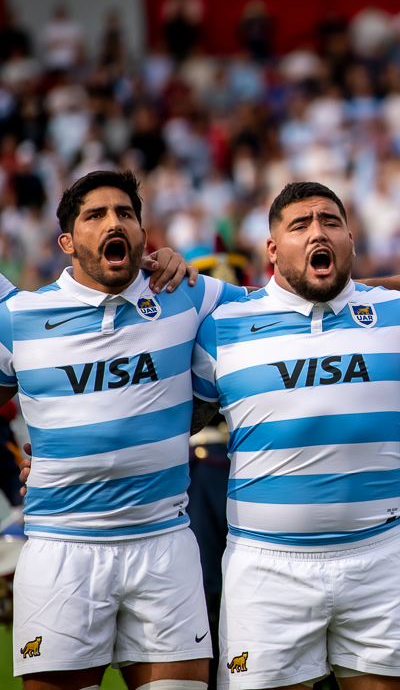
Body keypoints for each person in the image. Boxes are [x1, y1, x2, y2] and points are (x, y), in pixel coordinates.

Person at [3, 170, 244, 690]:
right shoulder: (20, 316)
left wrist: (396, 290)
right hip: (60, 549)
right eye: (95, 215)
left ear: (142, 232)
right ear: (67, 241)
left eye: (126, 214)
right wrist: (13, 468)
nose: (114, 222)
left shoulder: (189, 295)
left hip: (164, 545)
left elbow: (292, 302)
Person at [190, 182, 400, 690]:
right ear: (273, 250)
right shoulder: (223, 327)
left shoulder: (399, 313)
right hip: (265, 566)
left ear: (349, 237)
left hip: (380, 559)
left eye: (329, 222)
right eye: (299, 225)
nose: (316, 232)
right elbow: (168, 422)